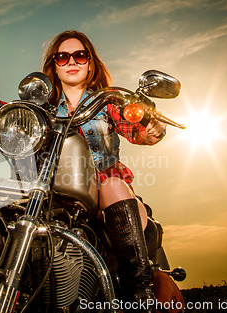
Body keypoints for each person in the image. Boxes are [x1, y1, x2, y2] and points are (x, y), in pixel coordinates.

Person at [42, 30, 167, 307]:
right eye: (63, 56)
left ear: (90, 62)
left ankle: (139, 292)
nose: (71, 61)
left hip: (106, 197)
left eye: (80, 55)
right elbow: (10, 122)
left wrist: (150, 127)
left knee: (110, 183)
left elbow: (137, 130)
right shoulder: (44, 109)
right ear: (54, 64)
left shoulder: (108, 102)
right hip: (57, 195)